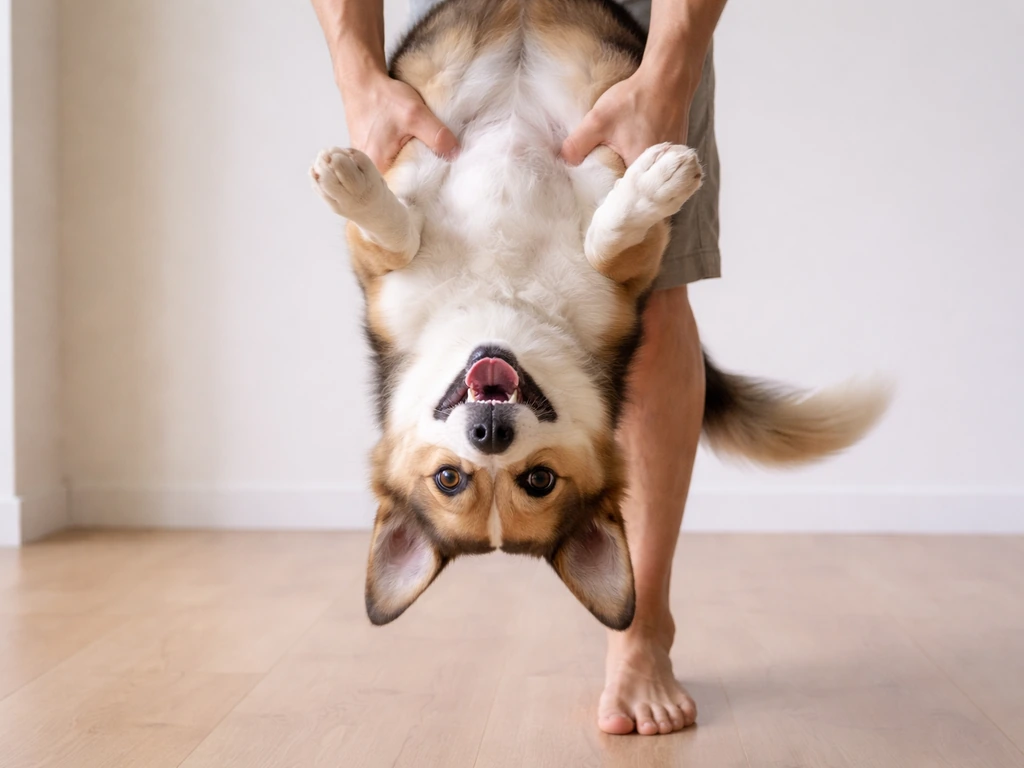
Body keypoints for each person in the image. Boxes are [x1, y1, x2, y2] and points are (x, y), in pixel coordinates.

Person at [312, 0, 726, 737]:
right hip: (591, 67)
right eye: (534, 478)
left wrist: (674, 67)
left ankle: (639, 631)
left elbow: (387, 249)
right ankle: (646, 621)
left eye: (451, 476)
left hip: (469, 52)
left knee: (655, 315)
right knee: (642, 301)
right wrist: (355, 72)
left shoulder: (406, 332)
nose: (489, 445)